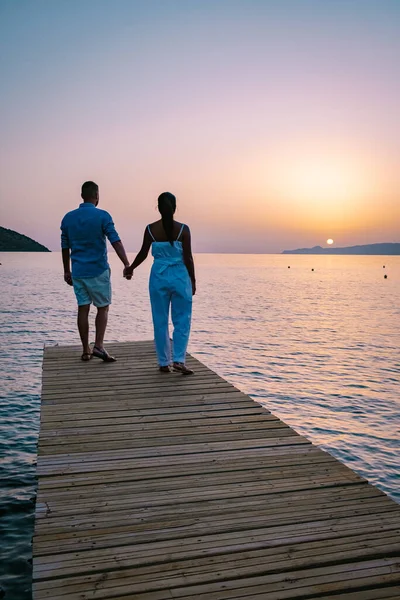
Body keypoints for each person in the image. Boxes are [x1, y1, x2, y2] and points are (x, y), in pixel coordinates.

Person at [124, 192, 196, 374]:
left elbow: (142, 253)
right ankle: (179, 359)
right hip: (180, 276)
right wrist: (193, 280)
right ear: (175, 207)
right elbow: (188, 257)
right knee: (182, 320)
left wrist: (131, 267)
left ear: (158, 207)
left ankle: (164, 362)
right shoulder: (183, 229)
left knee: (160, 320)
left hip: (159, 277)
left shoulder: (150, 229)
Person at [61, 181, 130, 362]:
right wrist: (126, 263)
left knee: (83, 309)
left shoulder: (68, 218)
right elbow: (115, 240)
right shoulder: (103, 216)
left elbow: (64, 246)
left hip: (78, 272)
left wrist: (66, 271)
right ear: (97, 195)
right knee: (102, 308)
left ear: (82, 195)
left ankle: (85, 350)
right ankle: (98, 346)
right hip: (98, 271)